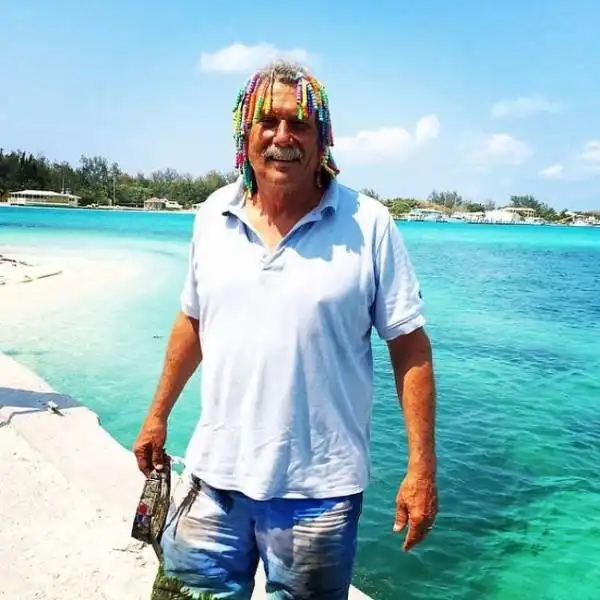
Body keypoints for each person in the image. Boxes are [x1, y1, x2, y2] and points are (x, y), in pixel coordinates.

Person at [133, 60, 438, 600]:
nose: (282, 137)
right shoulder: (214, 214)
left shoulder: (368, 224)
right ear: (244, 133)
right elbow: (193, 321)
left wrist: (422, 468)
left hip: (320, 495)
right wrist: (157, 415)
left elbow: (409, 348)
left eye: (299, 124)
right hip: (212, 480)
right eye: (267, 122)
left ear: (323, 139)